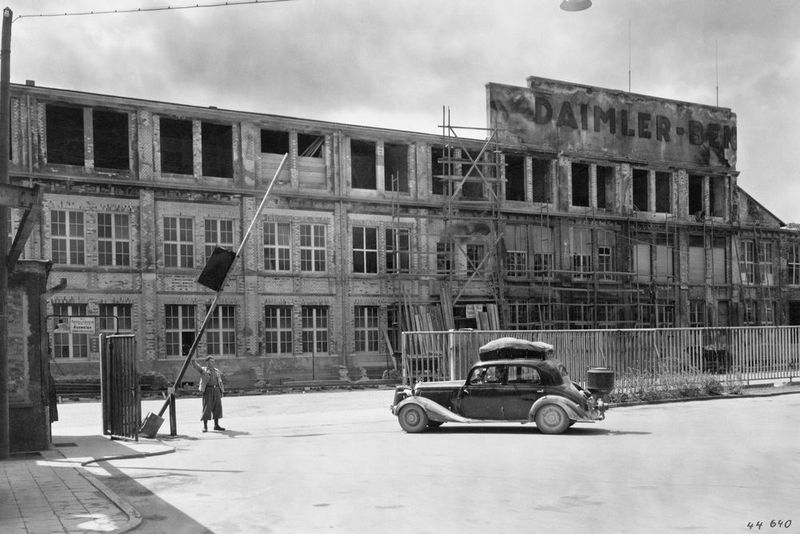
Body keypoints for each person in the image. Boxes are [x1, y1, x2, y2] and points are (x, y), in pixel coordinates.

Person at [190, 356, 226, 432]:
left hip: (216, 390)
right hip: (208, 390)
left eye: (213, 362)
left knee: (217, 408)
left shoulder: (216, 371)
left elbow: (220, 381)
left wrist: (221, 391)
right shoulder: (203, 370)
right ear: (207, 363)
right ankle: (205, 427)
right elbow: (196, 366)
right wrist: (193, 359)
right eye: (210, 362)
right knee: (207, 408)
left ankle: (216, 425)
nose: (212, 363)